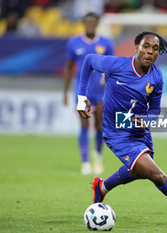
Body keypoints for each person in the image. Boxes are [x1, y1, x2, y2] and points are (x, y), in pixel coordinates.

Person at [77, 31, 167, 227]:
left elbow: (155, 110)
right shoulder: (116, 65)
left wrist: (147, 120)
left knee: (138, 171)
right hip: (117, 133)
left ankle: (103, 186)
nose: (150, 52)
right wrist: (82, 98)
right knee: (157, 175)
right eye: (146, 47)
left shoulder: (157, 77)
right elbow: (89, 60)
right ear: (137, 48)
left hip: (140, 133)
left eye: (155, 49)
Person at [63, 12, 114, 175]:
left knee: (100, 126)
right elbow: (69, 67)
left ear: (97, 24)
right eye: (87, 23)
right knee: (84, 125)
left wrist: (108, 80)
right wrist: (64, 92)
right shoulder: (73, 43)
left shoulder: (106, 43)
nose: (90, 25)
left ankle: (97, 155)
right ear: (83, 24)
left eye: (93, 23)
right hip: (81, 90)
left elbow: (112, 66)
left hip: (100, 90)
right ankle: (85, 162)